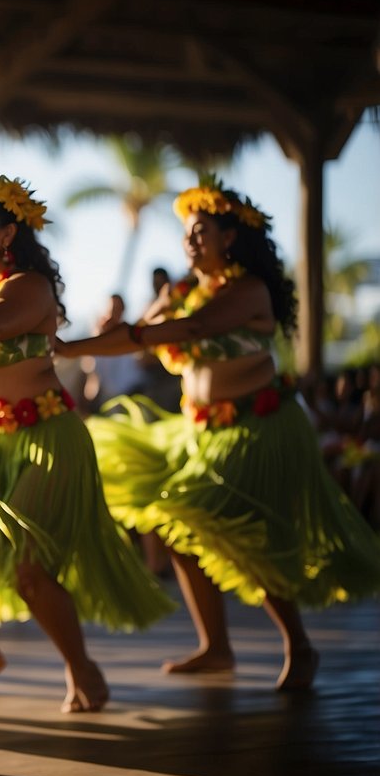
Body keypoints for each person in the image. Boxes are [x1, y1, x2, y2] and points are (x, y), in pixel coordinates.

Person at [56, 178, 380, 690]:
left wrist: (77, 349)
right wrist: (149, 314)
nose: (189, 240)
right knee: (176, 526)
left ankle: (300, 645)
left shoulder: (247, 291)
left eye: (200, 230)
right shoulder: (187, 292)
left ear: (229, 237)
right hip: (200, 430)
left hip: (258, 428)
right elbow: (151, 338)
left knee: (246, 537)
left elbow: (190, 332)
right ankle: (216, 646)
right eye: (186, 232)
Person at [0, 170, 173, 711]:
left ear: (8, 233)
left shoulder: (28, 288)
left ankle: (82, 668)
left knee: (30, 570)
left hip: (44, 438)